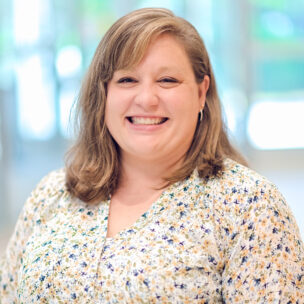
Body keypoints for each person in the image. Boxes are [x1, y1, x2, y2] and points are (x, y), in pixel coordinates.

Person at [1, 7, 303, 303]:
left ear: (201, 93)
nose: (146, 99)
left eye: (167, 80)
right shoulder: (52, 194)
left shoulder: (250, 206)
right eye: (127, 80)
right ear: (103, 94)